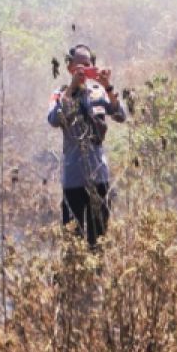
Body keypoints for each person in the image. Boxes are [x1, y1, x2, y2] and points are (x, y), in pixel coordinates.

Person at [47, 43, 127, 247]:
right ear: (69, 68)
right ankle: (75, 278)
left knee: (98, 241)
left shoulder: (99, 91)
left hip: (99, 177)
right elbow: (54, 119)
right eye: (80, 65)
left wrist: (108, 87)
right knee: (72, 242)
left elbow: (120, 115)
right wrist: (72, 88)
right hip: (73, 180)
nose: (85, 68)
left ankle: (98, 278)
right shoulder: (60, 94)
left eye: (88, 64)